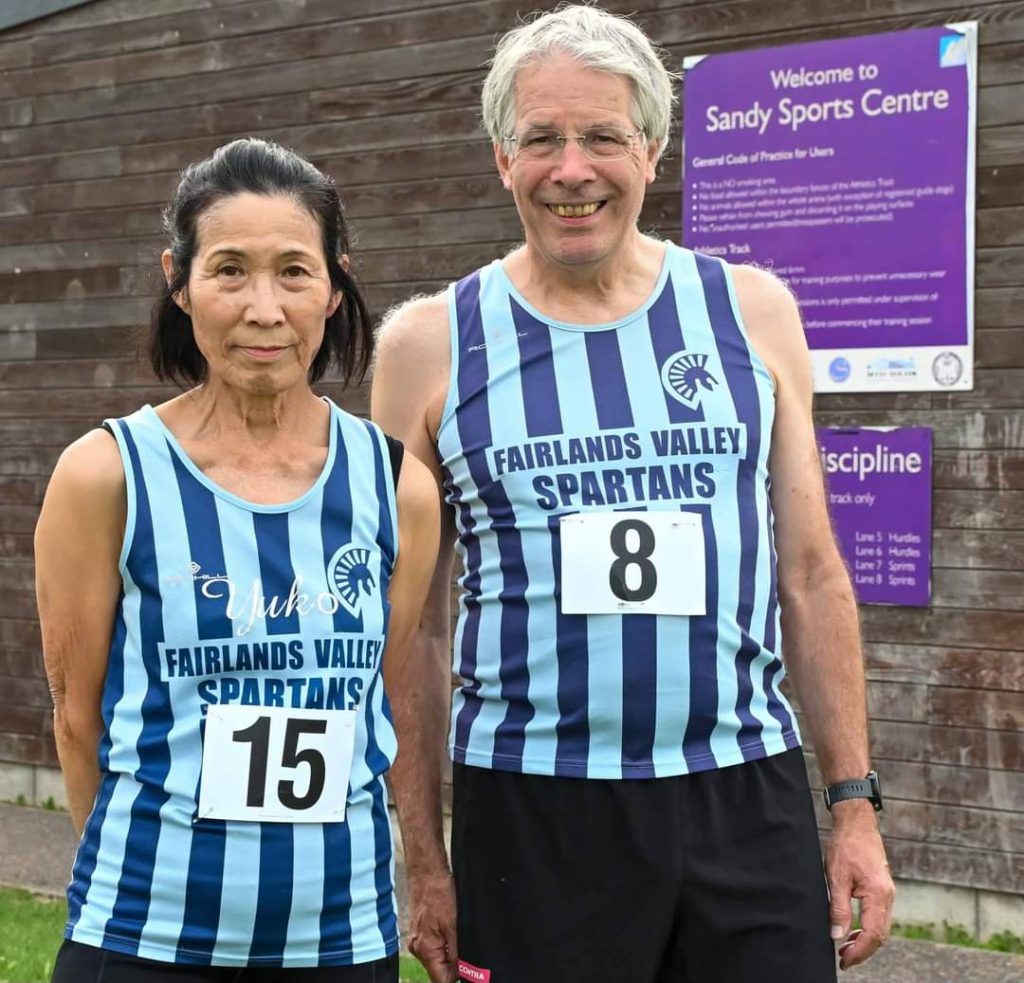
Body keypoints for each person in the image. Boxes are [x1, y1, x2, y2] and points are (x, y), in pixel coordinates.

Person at [372, 6, 894, 983]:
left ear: (651, 149)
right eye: (542, 139)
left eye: (603, 136)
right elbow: (416, 628)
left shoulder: (749, 312)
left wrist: (853, 806)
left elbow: (811, 571)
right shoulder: (429, 345)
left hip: (744, 794)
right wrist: (426, 856)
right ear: (501, 156)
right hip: (533, 807)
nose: (572, 169)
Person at [35, 138, 439, 981]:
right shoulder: (106, 473)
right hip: (144, 937)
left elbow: (378, 689)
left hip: (341, 940)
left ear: (336, 286)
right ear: (178, 282)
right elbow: (78, 719)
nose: (264, 307)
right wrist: (140, 882)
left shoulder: (398, 487)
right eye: (229, 270)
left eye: (294, 270)